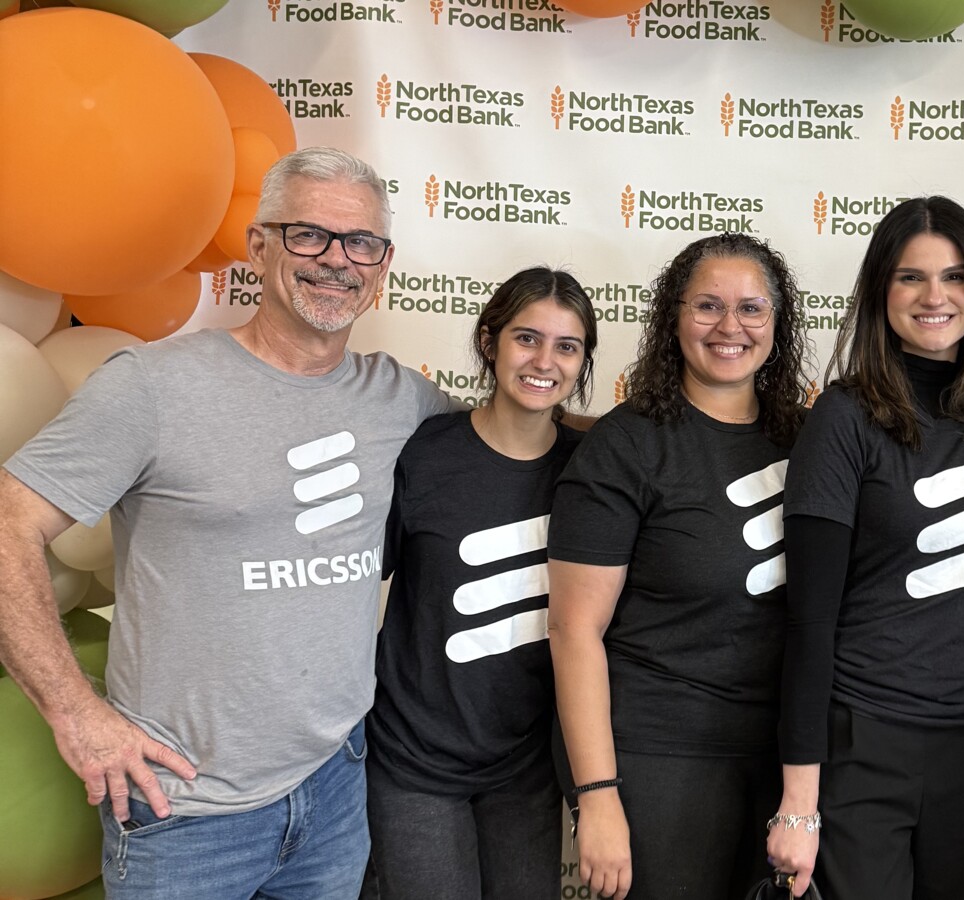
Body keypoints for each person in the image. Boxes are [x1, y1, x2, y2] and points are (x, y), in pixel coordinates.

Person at [0, 147, 450, 898]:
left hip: (335, 790)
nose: (336, 260)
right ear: (259, 244)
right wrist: (75, 713)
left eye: (360, 243)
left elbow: (516, 444)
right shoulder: (153, 387)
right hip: (183, 812)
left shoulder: (402, 401)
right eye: (308, 234)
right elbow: (9, 525)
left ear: (382, 263)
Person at [768, 196, 964, 900]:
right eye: (910, 277)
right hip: (864, 740)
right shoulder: (844, 419)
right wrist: (799, 802)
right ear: (880, 291)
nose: (934, 296)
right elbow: (809, 622)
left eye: (953, 275)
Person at [546, 233, 810, 900]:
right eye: (708, 306)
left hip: (783, 758)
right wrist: (599, 798)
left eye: (752, 308)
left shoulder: (813, 439)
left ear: (777, 326)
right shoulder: (627, 446)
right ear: (673, 318)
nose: (730, 327)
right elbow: (574, 632)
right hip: (659, 759)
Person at [363, 267, 598, 900]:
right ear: (490, 341)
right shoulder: (424, 454)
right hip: (414, 762)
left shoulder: (593, 472)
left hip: (525, 770)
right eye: (527, 338)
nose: (544, 361)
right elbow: (349, 590)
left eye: (567, 346)